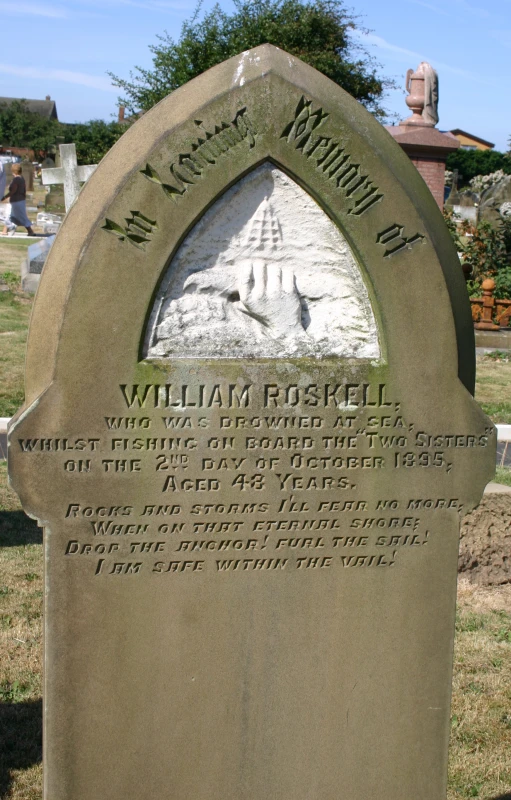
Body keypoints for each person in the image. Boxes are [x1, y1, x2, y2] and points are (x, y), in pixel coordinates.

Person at [1, 163, 35, 236]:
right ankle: (5, 231)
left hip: (17, 202)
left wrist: (4, 197)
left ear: (13, 171)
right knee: (10, 216)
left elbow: (13, 190)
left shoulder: (16, 179)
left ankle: (30, 231)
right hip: (19, 201)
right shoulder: (22, 178)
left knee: (21, 216)